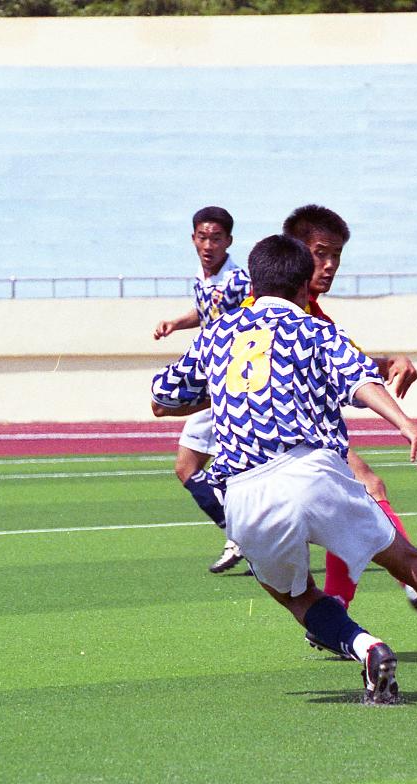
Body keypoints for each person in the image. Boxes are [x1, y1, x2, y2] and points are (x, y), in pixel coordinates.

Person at [150, 234, 417, 704]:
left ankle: (365, 646)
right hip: (313, 472)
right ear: (302, 285)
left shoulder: (216, 333)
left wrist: (229, 389)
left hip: (246, 490)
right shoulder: (313, 328)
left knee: (293, 595)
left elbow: (161, 399)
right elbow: (360, 381)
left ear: (252, 280)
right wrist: (408, 425)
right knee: (409, 563)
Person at [280, 204, 417, 631]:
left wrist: (384, 363)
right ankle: (414, 585)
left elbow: (345, 365)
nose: (329, 266)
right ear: (295, 251)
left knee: (359, 490)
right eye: (320, 253)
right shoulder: (274, 302)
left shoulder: (314, 312)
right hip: (275, 440)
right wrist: (404, 423)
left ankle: (339, 609)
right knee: (356, 492)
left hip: (302, 438)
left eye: (336, 257)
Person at [153, 206, 252, 574]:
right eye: (202, 237)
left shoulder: (238, 282)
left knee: (161, 406)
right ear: (193, 238)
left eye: (216, 238)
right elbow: (207, 313)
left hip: (234, 383)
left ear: (229, 241)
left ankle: (245, 537)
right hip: (215, 381)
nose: (208, 245)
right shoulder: (203, 277)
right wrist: (177, 322)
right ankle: (242, 535)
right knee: (186, 468)